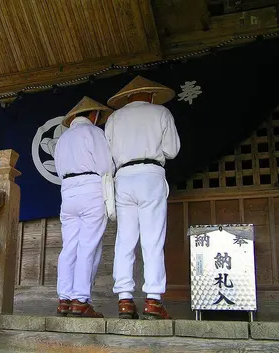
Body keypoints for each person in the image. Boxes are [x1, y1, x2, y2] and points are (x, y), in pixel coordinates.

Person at [105, 76, 181, 320]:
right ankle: (153, 300)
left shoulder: (114, 118)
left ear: (128, 97)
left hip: (123, 177)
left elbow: (108, 156)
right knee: (152, 240)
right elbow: (172, 150)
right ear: (150, 95)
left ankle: (124, 299)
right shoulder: (161, 112)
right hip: (150, 175)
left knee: (125, 241)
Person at [54, 96, 114, 318]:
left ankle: (64, 299)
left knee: (69, 246)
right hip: (91, 189)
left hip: (67, 192)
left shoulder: (63, 139)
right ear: (93, 114)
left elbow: (59, 170)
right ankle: (81, 300)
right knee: (89, 245)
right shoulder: (94, 133)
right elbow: (106, 166)